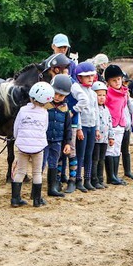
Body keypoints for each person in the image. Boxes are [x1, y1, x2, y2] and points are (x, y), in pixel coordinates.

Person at [11, 82, 54, 207]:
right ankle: (36, 200)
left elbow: (16, 127)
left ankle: (15, 199)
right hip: (38, 147)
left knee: (20, 172)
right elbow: (44, 129)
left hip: (23, 146)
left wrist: (18, 139)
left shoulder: (23, 110)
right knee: (37, 173)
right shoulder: (45, 113)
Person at [71, 62, 99, 191]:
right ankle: (78, 179)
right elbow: (79, 113)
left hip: (92, 125)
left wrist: (97, 128)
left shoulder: (93, 93)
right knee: (80, 154)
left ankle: (87, 179)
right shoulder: (78, 90)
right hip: (83, 127)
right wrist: (79, 128)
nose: (90, 78)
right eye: (86, 76)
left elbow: (96, 111)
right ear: (80, 77)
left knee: (89, 153)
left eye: (91, 76)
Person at [45, 74, 73, 197]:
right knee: (40, 164)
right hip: (44, 140)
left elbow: (68, 126)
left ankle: (52, 187)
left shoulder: (65, 108)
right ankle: (36, 188)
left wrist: (67, 142)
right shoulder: (44, 105)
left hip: (57, 140)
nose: (57, 97)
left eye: (61, 95)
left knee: (53, 163)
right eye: (55, 93)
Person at [103, 64, 130, 185]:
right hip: (111, 124)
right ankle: (110, 176)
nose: (117, 82)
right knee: (110, 149)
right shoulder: (108, 93)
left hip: (121, 123)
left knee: (117, 150)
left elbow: (124, 108)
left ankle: (115, 174)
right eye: (114, 80)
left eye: (119, 79)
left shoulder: (124, 92)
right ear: (108, 81)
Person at [92, 81, 114, 188]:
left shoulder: (106, 110)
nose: (101, 98)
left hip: (104, 139)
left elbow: (110, 123)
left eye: (103, 95)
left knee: (102, 159)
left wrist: (111, 136)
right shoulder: (93, 109)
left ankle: (100, 179)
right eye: (99, 95)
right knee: (95, 159)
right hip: (96, 139)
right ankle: (94, 179)